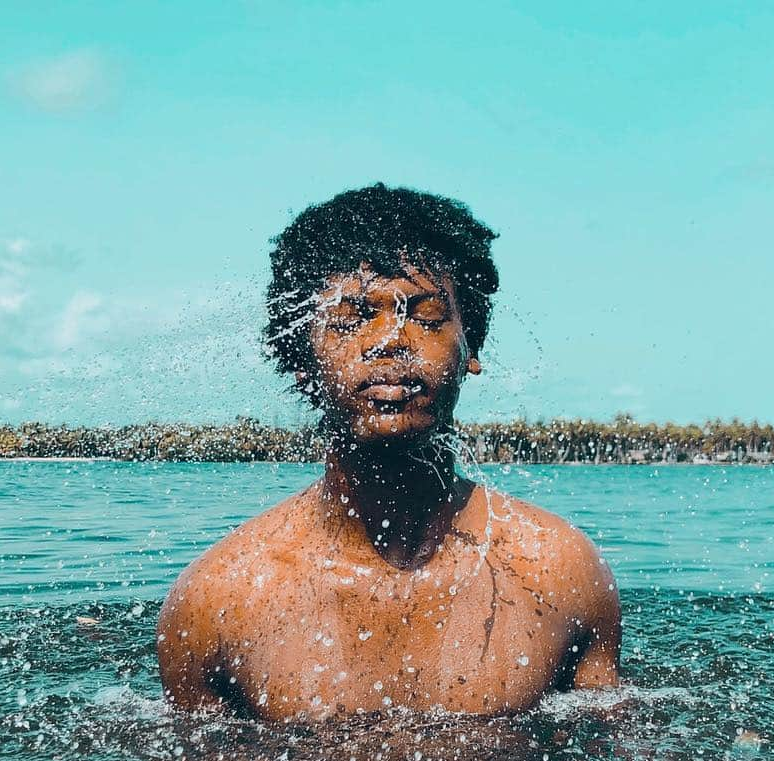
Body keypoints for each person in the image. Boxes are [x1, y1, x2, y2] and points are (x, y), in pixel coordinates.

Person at [158, 184, 620, 719]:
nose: (390, 340)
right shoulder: (220, 601)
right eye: (353, 318)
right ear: (300, 359)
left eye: (425, 317)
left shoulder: (560, 571)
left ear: (473, 344)